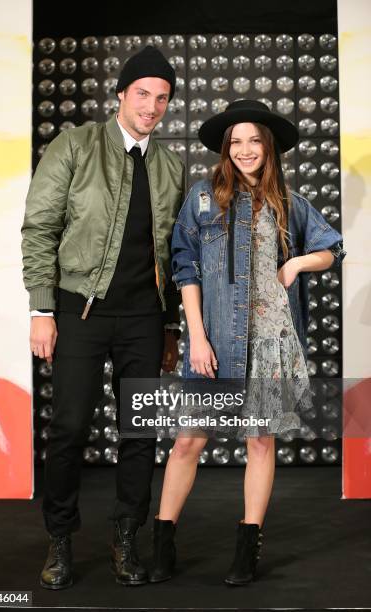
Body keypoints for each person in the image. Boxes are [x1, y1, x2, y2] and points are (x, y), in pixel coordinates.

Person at [148, 99, 346, 586]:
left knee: (260, 442)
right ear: (224, 150)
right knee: (188, 442)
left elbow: (330, 248)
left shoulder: (290, 203)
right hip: (214, 340)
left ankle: (247, 545)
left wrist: (298, 263)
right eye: (235, 142)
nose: (244, 150)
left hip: (271, 343)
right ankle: (162, 543)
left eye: (253, 140)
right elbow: (185, 269)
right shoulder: (201, 199)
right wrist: (196, 335)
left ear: (268, 146)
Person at [21, 45, 185, 589]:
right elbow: (40, 228)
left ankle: (125, 538)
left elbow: (174, 252)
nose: (152, 106)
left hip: (144, 318)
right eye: (143, 93)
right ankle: (61, 540)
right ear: (121, 93)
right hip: (80, 311)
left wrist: (169, 326)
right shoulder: (74, 145)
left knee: (139, 434)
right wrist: (42, 307)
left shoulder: (170, 164)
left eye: (161, 97)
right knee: (68, 429)